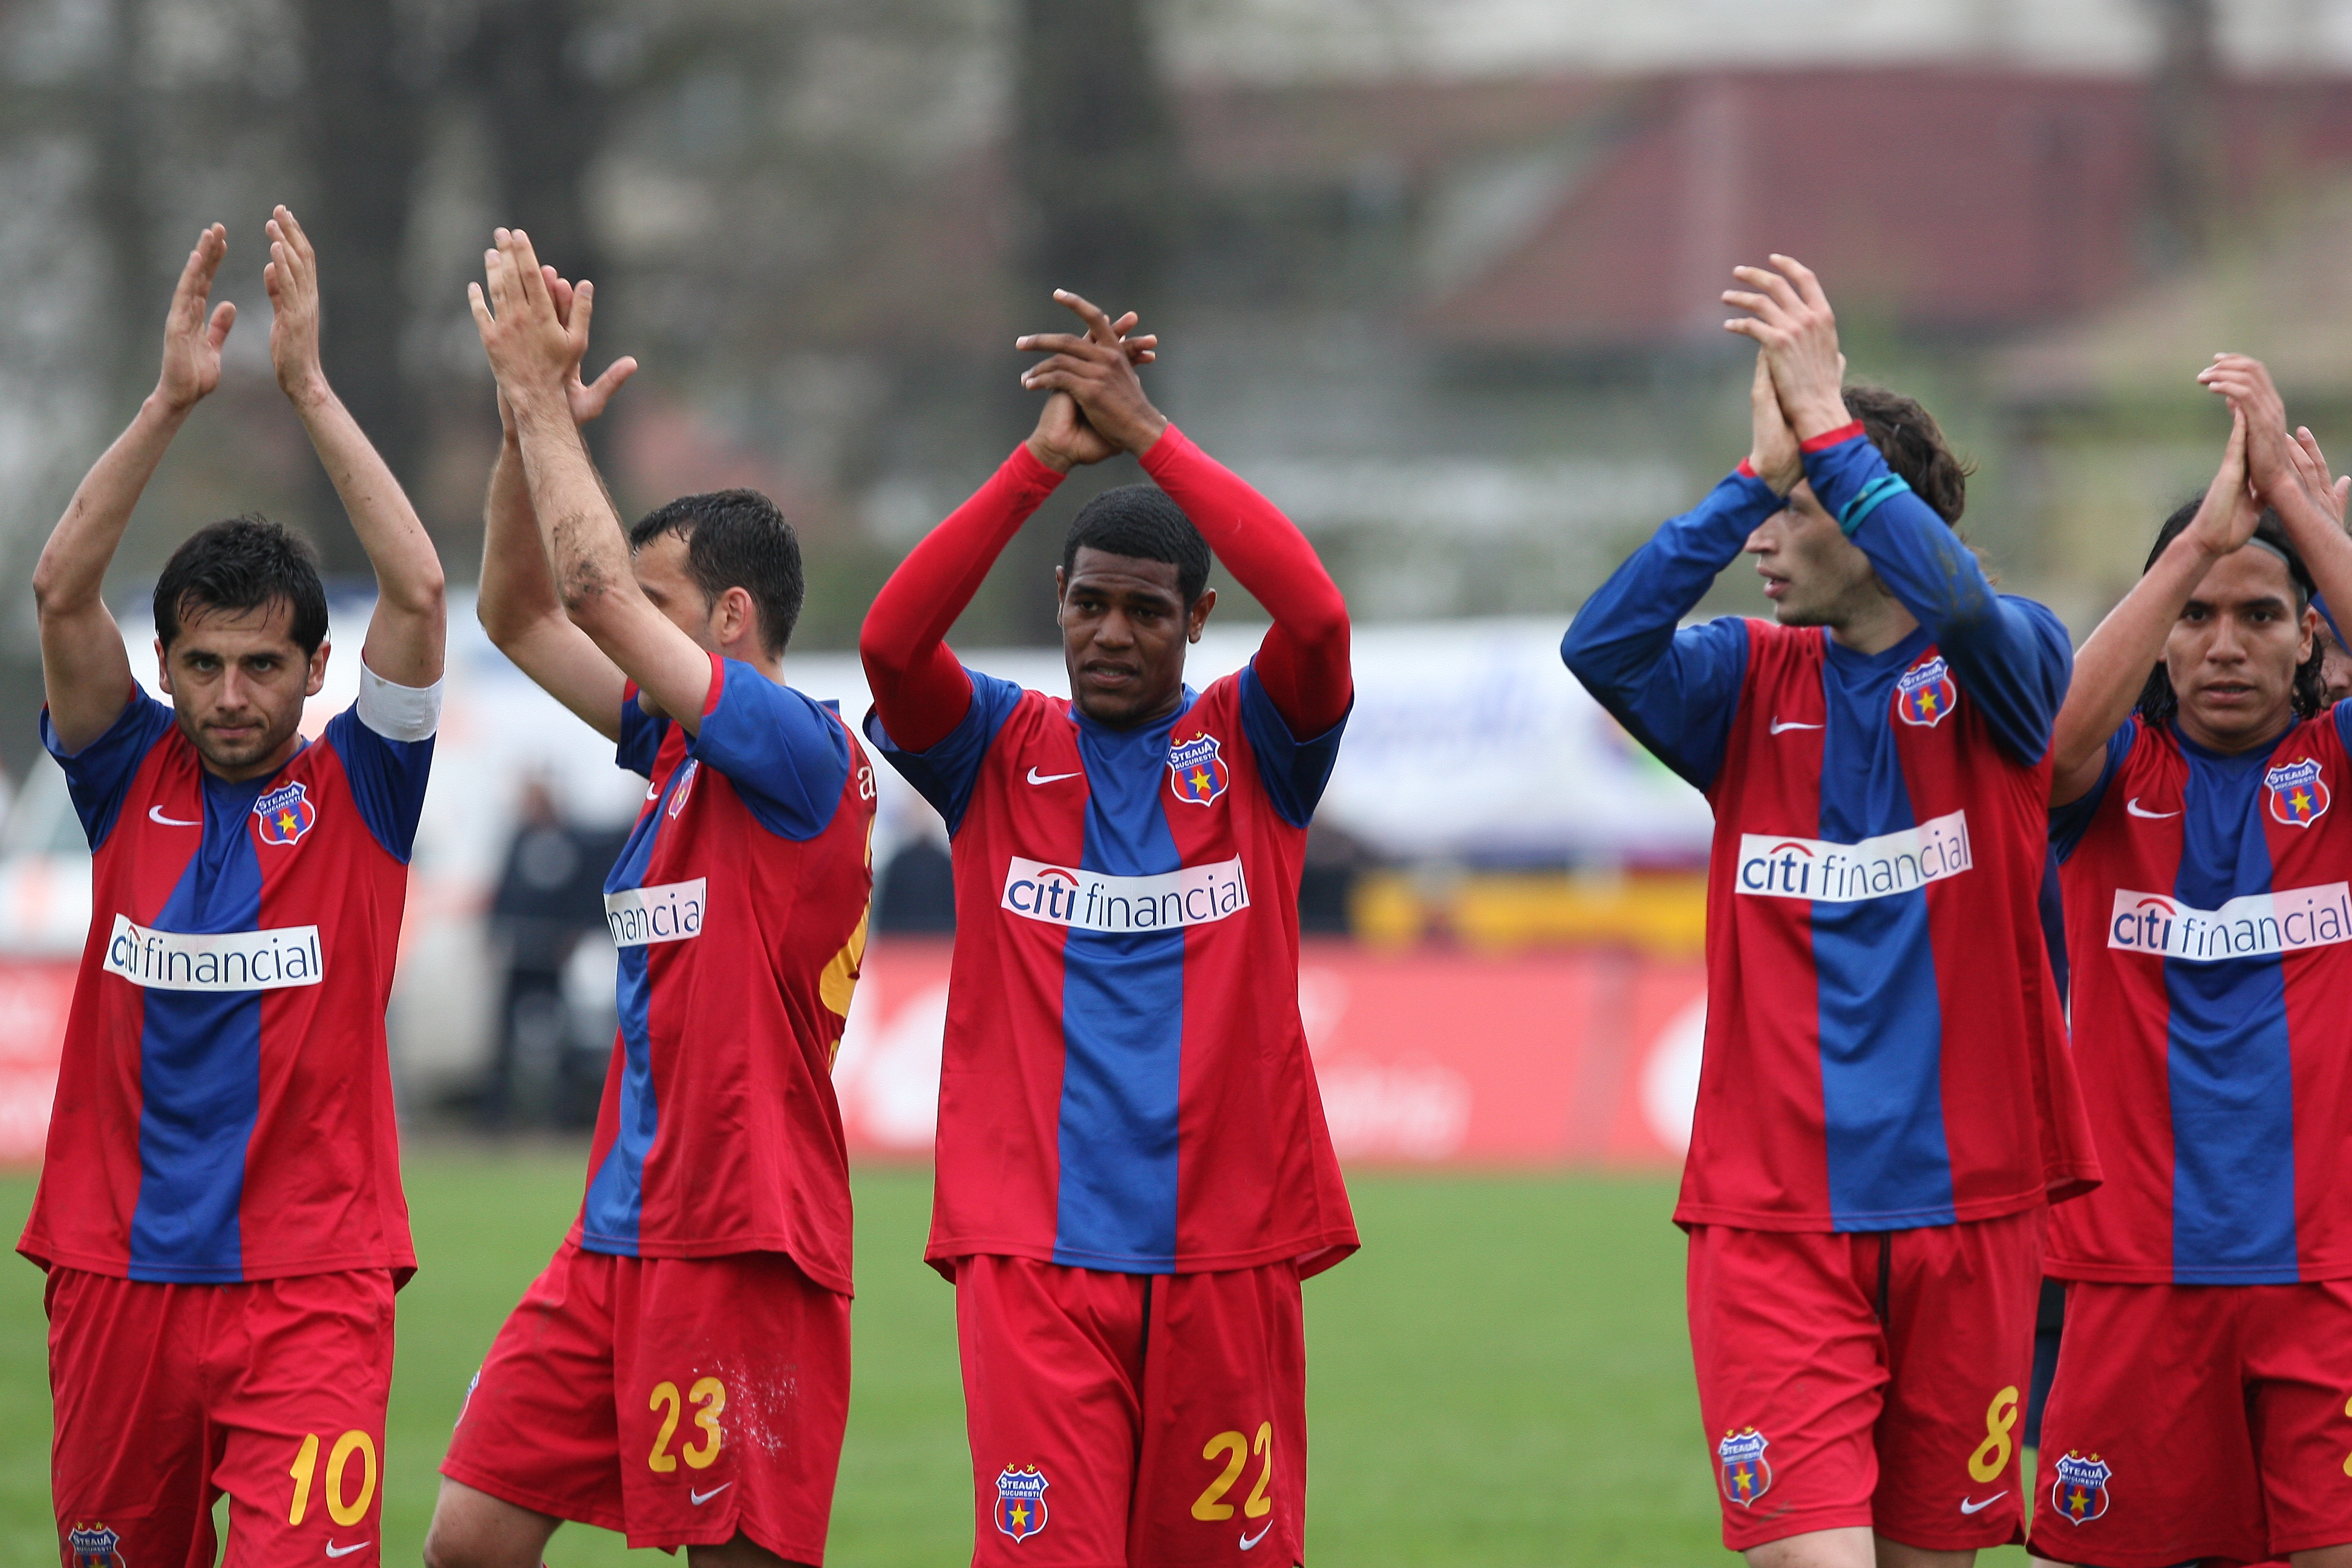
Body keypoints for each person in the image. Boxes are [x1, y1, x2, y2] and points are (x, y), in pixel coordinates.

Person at [1560, 255, 2097, 1568]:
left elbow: (1959, 602)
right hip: (1773, 1221)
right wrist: (1756, 469)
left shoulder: (2009, 667)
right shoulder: (1742, 685)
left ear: (1872, 512)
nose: (1759, 542)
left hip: (1968, 1214)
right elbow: (1602, 646)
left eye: (1790, 512)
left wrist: (1832, 439)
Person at [858, 290, 1357, 1567]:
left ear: (1195, 622)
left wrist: (1153, 435)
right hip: (1033, 1257)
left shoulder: (1254, 746)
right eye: (1090, 606)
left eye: (1146, 611)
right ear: (1063, 604)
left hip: (1228, 1251)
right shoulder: (997, 749)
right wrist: (1037, 466)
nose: (1111, 635)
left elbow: (1317, 619)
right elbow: (892, 639)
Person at [423, 230, 876, 1568]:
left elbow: (587, 591)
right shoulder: (677, 753)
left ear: (729, 621)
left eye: (662, 600)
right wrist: (526, 426)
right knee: (468, 1542)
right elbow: (518, 615)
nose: (632, 612)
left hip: (742, 1235)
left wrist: (541, 411)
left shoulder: (804, 754)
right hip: (617, 1229)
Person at [27, 210, 445, 1567]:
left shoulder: (364, 791)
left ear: (316, 672)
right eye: (202, 664)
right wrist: (167, 405)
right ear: (166, 663)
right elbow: (57, 587)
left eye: (263, 665)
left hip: (310, 1288)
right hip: (115, 1273)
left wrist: (310, 389)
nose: (229, 694)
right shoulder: (118, 773)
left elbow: (423, 590)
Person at [2028, 355, 2352, 1568]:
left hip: (2324, 1276)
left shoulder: (2338, 773)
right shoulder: (2115, 784)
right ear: (2161, 638)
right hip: (2128, 1280)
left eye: (2259, 614)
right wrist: (2192, 554)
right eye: (2197, 618)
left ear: (2305, 632)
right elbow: (2047, 747)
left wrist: (2307, 521)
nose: (2224, 645)